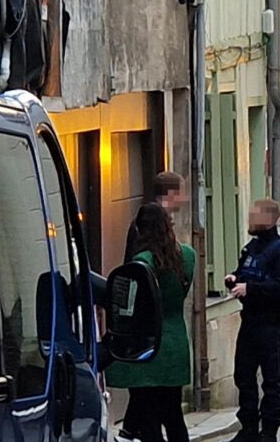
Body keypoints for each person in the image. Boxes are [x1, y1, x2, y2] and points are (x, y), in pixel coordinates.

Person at [110, 203, 197, 442]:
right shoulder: (187, 256)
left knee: (149, 417)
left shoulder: (142, 261)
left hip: (149, 343)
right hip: (176, 340)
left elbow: (129, 305)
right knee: (173, 415)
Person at [226, 200, 280, 442]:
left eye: (254, 216)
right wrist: (234, 279)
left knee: (271, 380)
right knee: (243, 376)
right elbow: (243, 273)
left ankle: (269, 431)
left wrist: (251, 289)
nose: (250, 220)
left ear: (268, 219)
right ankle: (247, 428)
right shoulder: (251, 248)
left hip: (270, 324)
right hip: (249, 322)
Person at [125, 171, 188, 263]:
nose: (185, 198)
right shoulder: (147, 224)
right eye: (182, 193)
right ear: (171, 194)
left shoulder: (144, 221)